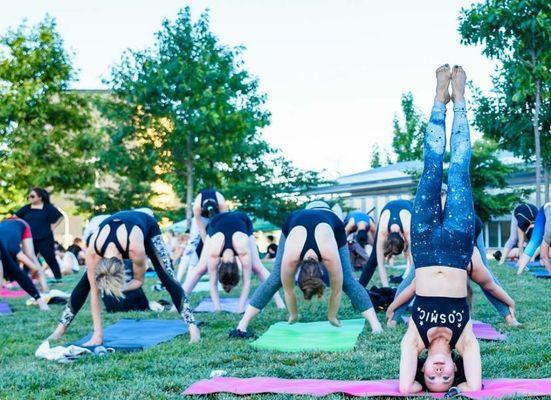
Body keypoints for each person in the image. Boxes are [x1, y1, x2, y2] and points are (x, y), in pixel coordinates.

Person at [399, 65, 481, 394]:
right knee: (459, 169)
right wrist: (457, 388)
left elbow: (406, 389)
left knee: (431, 168)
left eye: (430, 378)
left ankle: (437, 99)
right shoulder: (465, 340)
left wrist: (419, 386)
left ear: (421, 368)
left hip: (423, 243)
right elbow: (473, 387)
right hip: (459, 246)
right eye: (446, 378)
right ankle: (459, 100)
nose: (438, 375)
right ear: (454, 367)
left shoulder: (414, 337)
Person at [230, 201, 383, 338]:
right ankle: (242, 325)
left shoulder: (329, 255)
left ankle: (376, 326)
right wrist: (293, 314)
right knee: (275, 278)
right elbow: (291, 292)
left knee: (348, 280)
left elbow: (292, 291)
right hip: (296, 220)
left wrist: (331, 315)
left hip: (330, 220)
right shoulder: (292, 257)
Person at [47, 209, 200, 345]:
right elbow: (94, 293)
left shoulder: (135, 250)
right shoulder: (93, 251)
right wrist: (97, 334)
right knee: (84, 283)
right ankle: (60, 329)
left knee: (168, 276)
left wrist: (120, 288)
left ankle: (193, 328)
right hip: (117, 231)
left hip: (146, 225)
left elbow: (139, 281)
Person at [184, 211, 284, 313]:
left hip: (241, 220)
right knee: (200, 267)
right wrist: (219, 309)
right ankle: (177, 303)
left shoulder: (241, 248)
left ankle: (280, 303)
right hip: (216, 222)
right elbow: (245, 282)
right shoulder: (215, 251)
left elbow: (214, 283)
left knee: (257, 266)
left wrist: (238, 309)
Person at [176, 189, 228, 282]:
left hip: (218, 217)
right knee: (191, 247)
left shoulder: (222, 204)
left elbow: (224, 226)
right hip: (201, 219)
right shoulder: (197, 207)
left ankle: (220, 273)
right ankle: (178, 279)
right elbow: (201, 230)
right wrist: (207, 245)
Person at [358, 200, 412, 288]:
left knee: (417, 255)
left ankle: (408, 274)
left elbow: (415, 262)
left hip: (410, 206)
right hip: (388, 208)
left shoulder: (408, 230)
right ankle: (359, 288)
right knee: (373, 258)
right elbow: (380, 263)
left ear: (403, 237)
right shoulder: (382, 232)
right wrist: (386, 289)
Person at [0, 218, 49, 310]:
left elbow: (30, 269)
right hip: (5, 224)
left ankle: (45, 288)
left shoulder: (13, 251)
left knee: (31, 255)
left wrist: (39, 300)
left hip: (21, 224)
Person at [15, 188, 64, 281]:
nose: (30, 198)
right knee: (28, 259)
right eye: (29, 196)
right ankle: (25, 280)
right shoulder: (26, 208)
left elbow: (60, 217)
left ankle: (58, 278)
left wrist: (52, 227)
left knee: (50, 257)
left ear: (40, 197)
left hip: (45, 238)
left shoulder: (48, 208)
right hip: (29, 239)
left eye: (32, 196)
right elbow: (15, 217)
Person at [517, 202, 551, 274]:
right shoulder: (549, 233)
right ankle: (519, 271)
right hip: (544, 211)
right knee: (535, 241)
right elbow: (544, 255)